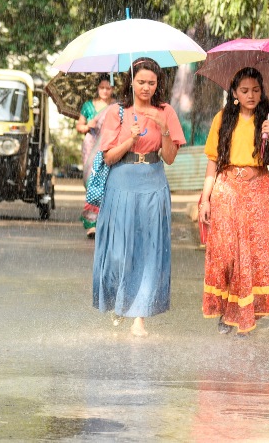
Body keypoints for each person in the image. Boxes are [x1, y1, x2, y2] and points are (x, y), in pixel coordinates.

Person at [92, 57, 186, 337]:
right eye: (141, 81)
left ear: (158, 84)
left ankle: (139, 317)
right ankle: (121, 301)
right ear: (131, 82)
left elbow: (169, 158)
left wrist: (164, 128)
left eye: (152, 82)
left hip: (153, 182)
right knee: (120, 252)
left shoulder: (166, 110)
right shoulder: (116, 112)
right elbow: (108, 157)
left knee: (148, 251)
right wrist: (130, 140)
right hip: (122, 183)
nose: (146, 87)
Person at [198, 67, 269, 336]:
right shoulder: (222, 119)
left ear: (263, 92)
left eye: (256, 90)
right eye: (245, 90)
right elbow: (213, 163)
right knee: (226, 254)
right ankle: (227, 309)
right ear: (235, 94)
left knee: (255, 254)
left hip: (258, 190)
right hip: (226, 190)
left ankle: (245, 313)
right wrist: (206, 200)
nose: (251, 95)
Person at [77, 74, 115, 238]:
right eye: (102, 88)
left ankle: (105, 220)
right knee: (92, 180)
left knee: (108, 182)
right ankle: (91, 222)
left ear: (112, 89)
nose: (105, 91)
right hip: (91, 145)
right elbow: (79, 126)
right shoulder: (88, 106)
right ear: (97, 89)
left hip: (109, 145)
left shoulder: (116, 106)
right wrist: (87, 125)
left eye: (108, 88)